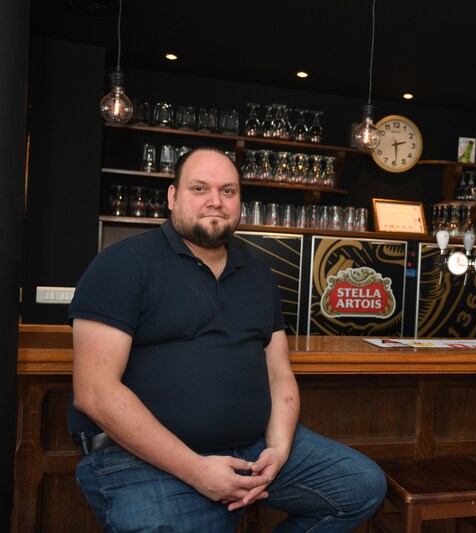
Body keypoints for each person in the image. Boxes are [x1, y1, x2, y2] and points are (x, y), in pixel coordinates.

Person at [68, 147, 386, 532]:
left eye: (228, 191)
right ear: (172, 197)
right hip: (142, 458)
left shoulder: (259, 275)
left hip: (253, 448)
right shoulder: (122, 264)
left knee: (361, 487)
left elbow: (279, 374)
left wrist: (278, 449)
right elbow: (95, 391)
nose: (215, 201)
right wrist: (197, 470)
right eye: (199, 188)